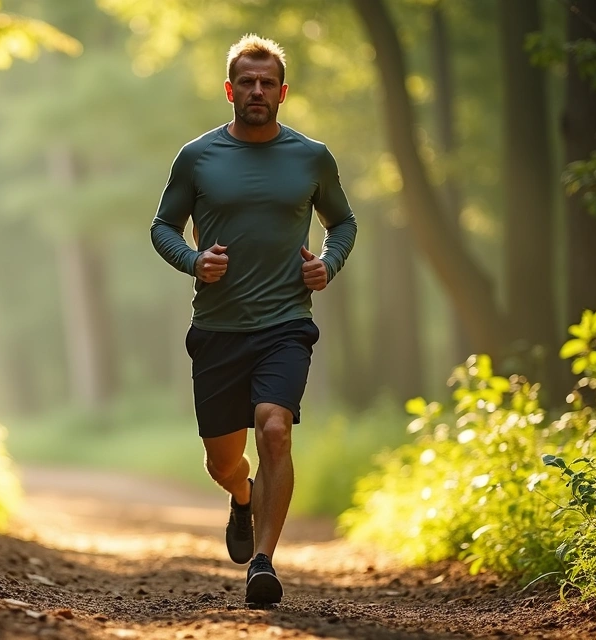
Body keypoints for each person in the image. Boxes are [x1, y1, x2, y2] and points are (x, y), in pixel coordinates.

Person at [149, 33, 357, 605]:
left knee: (275, 428)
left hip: (285, 322)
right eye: (247, 81)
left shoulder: (311, 157)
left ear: (283, 92)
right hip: (217, 328)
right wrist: (195, 262)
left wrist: (328, 266)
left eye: (267, 82)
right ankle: (242, 497)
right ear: (229, 90)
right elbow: (162, 227)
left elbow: (343, 223)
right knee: (224, 461)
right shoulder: (198, 157)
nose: (257, 90)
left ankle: (263, 562)